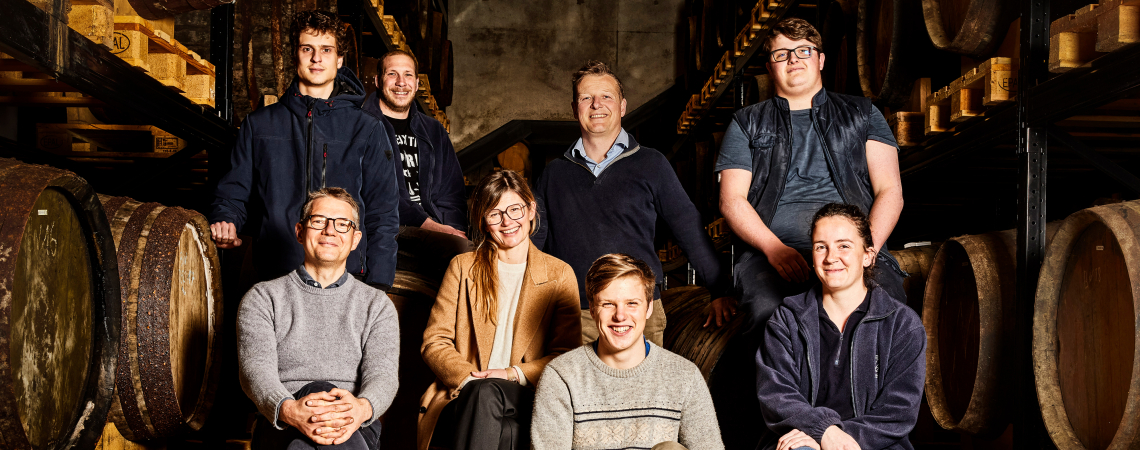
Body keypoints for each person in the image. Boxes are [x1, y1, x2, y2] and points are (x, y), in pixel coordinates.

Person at [715, 18, 907, 336]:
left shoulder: (863, 114)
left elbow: (890, 191)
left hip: (854, 247)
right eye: (782, 54)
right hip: (776, 252)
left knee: (885, 309)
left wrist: (867, 247)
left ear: (820, 59)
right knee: (770, 315)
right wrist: (774, 248)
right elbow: (731, 199)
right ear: (769, 66)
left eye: (803, 50)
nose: (793, 59)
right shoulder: (746, 122)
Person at [533, 60, 734, 347]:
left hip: (637, 314)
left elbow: (687, 225)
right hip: (571, 315)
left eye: (606, 97)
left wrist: (718, 289)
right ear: (574, 108)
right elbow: (533, 242)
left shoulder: (651, 164)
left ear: (623, 107)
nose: (596, 105)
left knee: (641, 393)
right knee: (572, 393)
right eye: (586, 98)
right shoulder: (554, 173)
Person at [210, 10, 400, 290]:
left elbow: (383, 211)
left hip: (347, 279)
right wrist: (225, 219)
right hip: (277, 273)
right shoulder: (259, 124)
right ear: (294, 55)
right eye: (307, 48)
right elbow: (233, 191)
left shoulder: (367, 128)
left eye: (326, 49)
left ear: (339, 59)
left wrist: (379, 282)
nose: (316, 58)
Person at [418, 170, 581, 450]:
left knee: (487, 394)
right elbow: (435, 341)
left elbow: (566, 356)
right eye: (495, 214)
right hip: (466, 391)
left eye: (514, 209)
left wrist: (511, 373)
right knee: (483, 394)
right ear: (483, 220)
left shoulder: (559, 273)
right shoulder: (462, 267)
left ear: (530, 210)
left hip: (529, 394)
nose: (507, 222)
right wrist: (469, 378)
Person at [237, 187, 400, 449]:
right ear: (300, 232)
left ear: (355, 239)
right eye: (319, 221)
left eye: (342, 224)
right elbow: (255, 372)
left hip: (353, 424)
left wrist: (360, 408)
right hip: (282, 424)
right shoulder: (263, 297)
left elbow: (383, 376)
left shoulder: (377, 305)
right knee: (317, 393)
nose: (330, 231)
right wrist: (289, 409)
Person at [756, 203, 926, 450]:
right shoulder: (787, 319)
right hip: (802, 442)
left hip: (874, 445)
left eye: (844, 246)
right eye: (820, 247)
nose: (830, 257)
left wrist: (835, 437)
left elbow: (899, 411)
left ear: (868, 256)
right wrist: (821, 432)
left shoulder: (902, 324)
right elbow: (776, 395)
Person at [531, 253, 724, 450]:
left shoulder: (684, 375)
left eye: (632, 303)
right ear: (592, 309)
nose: (620, 316)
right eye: (608, 304)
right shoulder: (561, 376)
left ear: (649, 308)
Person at [362, 49, 468, 238]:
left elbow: (453, 194)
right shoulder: (362, 126)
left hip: (432, 228)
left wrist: (453, 230)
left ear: (417, 83)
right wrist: (432, 227)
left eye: (408, 75)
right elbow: (378, 193)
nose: (401, 82)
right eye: (392, 74)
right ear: (378, 81)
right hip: (385, 227)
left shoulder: (434, 130)